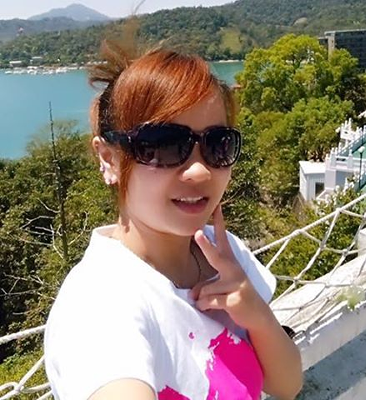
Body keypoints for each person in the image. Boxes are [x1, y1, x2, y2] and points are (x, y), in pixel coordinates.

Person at [44, 35, 303, 400]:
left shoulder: (222, 255)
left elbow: (287, 385)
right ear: (109, 158)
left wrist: (256, 314)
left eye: (218, 144)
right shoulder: (98, 304)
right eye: (164, 145)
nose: (199, 171)